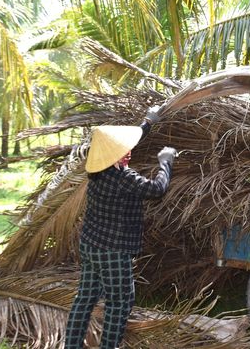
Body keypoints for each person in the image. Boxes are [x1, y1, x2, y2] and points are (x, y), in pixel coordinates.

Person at [65, 108, 176, 349]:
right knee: (121, 301)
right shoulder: (123, 178)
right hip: (112, 251)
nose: (128, 154)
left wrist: (147, 123)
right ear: (112, 156)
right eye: (123, 153)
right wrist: (165, 162)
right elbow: (157, 189)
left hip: (91, 245)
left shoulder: (96, 173)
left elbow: (126, 144)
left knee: (84, 299)